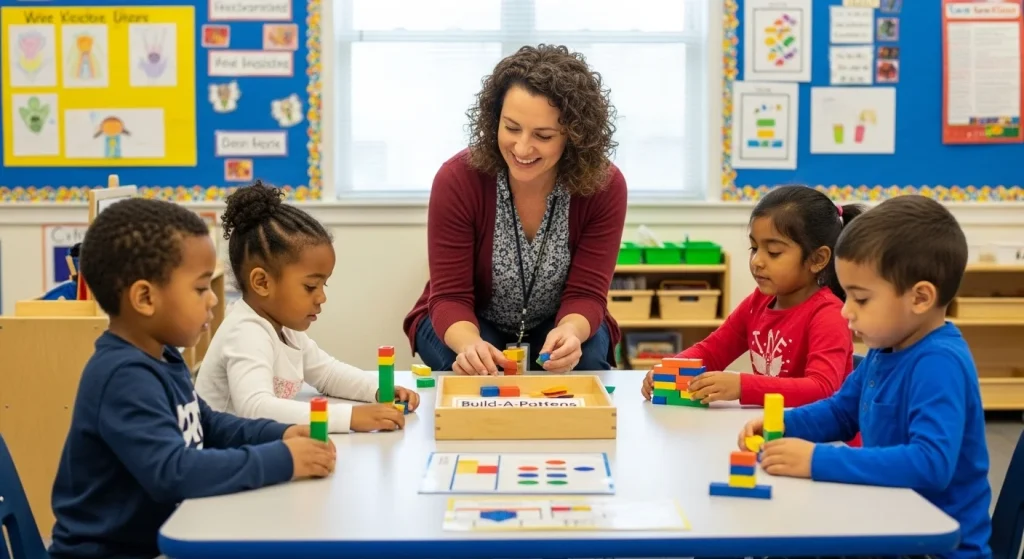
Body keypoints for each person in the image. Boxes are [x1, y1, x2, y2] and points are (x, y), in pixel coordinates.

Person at [48, 198, 336, 559]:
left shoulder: (162, 356)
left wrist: (279, 434)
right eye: (200, 289)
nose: (212, 302)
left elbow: (207, 424)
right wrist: (283, 459)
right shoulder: (123, 377)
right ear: (145, 298)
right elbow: (173, 472)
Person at [740, 195, 991, 559]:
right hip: (888, 524)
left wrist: (816, 461)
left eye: (860, 299)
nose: (845, 311)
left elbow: (931, 463)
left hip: (936, 548)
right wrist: (783, 423)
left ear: (920, 298)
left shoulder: (939, 363)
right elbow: (842, 412)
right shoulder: (885, 347)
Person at [402, 44, 628, 376]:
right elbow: (450, 295)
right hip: (468, 317)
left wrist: (571, 332)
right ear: (494, 120)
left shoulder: (604, 186)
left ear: (575, 136)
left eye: (544, 135)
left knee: (586, 363)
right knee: (469, 369)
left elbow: (586, 293)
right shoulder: (457, 179)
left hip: (558, 318)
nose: (522, 148)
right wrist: (469, 345)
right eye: (511, 128)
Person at [195, 182, 419, 433]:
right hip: (223, 453)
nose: (321, 297)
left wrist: (377, 389)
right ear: (262, 282)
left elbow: (328, 374)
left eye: (324, 284)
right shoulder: (245, 332)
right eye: (311, 286)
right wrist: (350, 417)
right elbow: (255, 408)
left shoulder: (285, 330)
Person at [642, 186, 863, 407]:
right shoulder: (757, 302)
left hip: (825, 439)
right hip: (773, 428)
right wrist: (669, 369)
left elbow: (822, 389)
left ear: (817, 259)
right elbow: (712, 351)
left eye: (774, 252)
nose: (757, 261)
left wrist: (741, 386)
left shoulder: (828, 314)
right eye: (754, 248)